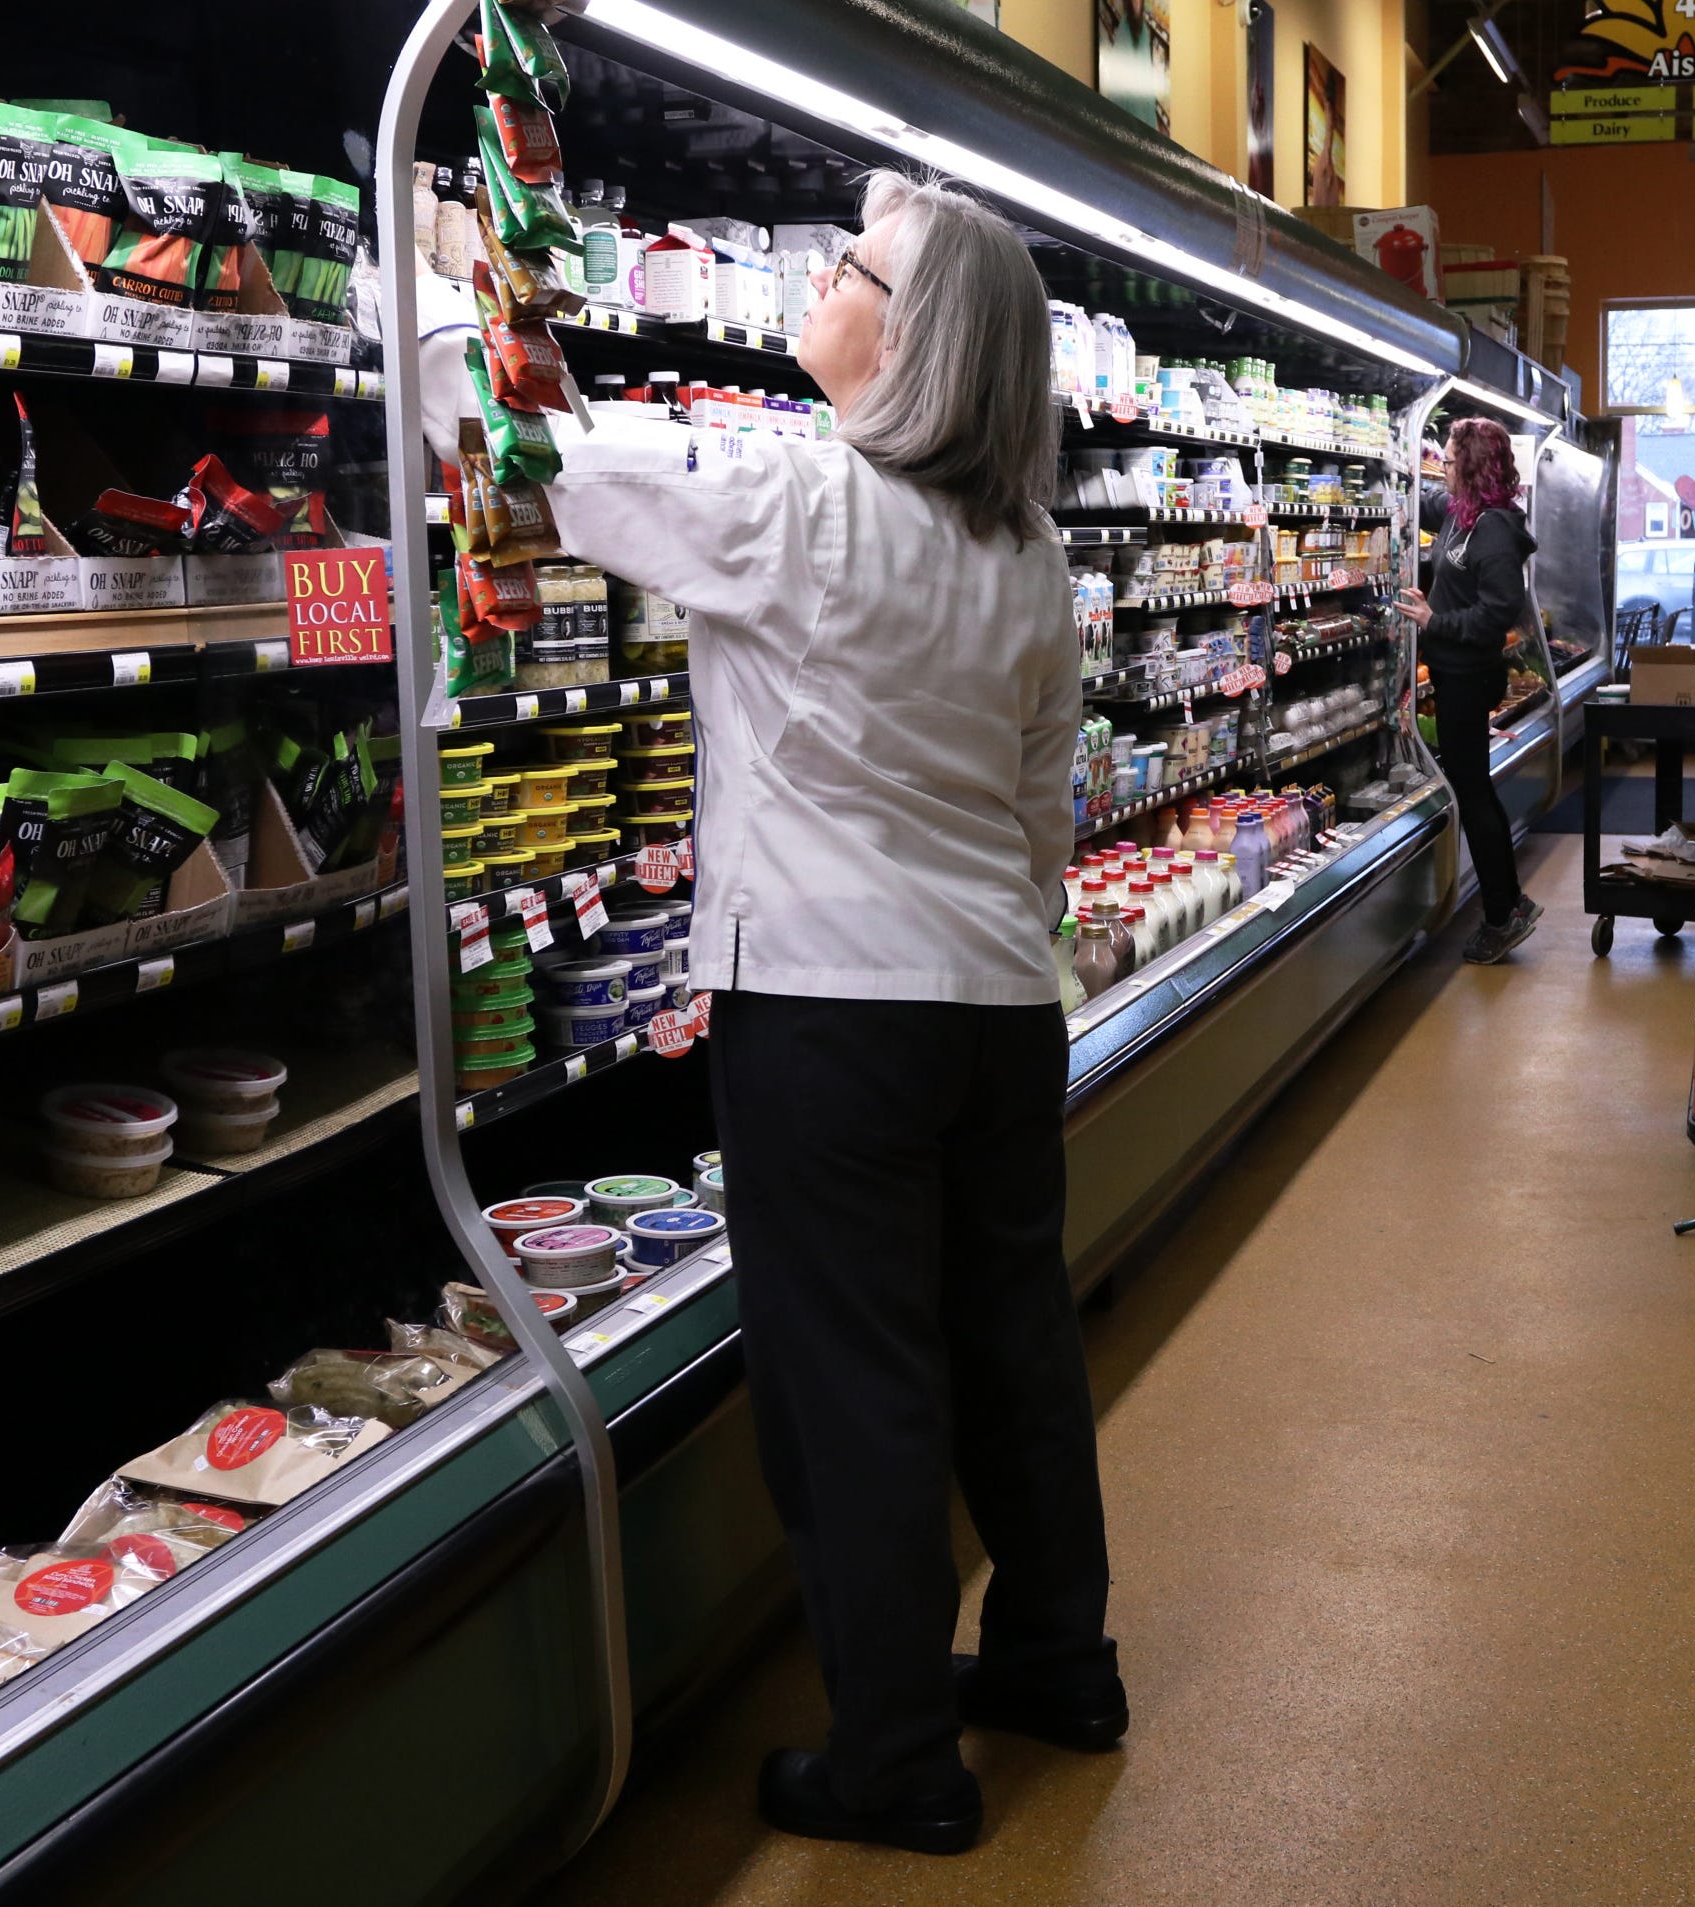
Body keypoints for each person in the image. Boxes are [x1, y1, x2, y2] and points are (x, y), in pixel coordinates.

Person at [533, 173, 1122, 1856]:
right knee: (1012, 1344)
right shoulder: (1031, 555)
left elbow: (542, 463)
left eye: (849, 268)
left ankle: (895, 1758)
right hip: (1000, 1006)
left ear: (908, 337)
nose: (822, 280)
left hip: (828, 1008)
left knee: (852, 1380)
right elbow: (1039, 821)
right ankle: (1059, 1661)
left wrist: (446, 301)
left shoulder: (792, 499)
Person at [1402, 415, 1541, 962]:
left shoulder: (1495, 530)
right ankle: (1510, 903)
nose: (1447, 464)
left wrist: (1435, 622)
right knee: (1474, 788)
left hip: (1467, 674)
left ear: (1473, 464)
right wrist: (1404, 463)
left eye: (1453, 456)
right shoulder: (1463, 515)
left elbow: (1495, 611)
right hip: (1453, 672)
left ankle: (1502, 914)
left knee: (1473, 792)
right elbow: (1430, 499)